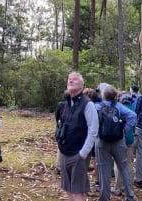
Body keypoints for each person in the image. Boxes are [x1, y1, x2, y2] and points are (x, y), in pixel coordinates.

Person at [57, 72, 99, 201]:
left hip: (78, 154)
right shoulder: (66, 104)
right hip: (64, 152)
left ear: (81, 85)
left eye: (74, 80)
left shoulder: (88, 104)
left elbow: (93, 130)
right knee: (68, 190)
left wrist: (84, 153)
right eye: (69, 79)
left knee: (77, 192)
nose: (71, 81)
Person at [96, 84, 137, 201]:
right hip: (118, 141)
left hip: (102, 141)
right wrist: (124, 129)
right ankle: (130, 195)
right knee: (123, 167)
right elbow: (133, 116)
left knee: (103, 169)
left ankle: (105, 197)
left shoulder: (97, 107)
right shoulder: (119, 107)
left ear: (103, 95)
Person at [112, 92, 136, 197]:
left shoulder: (118, 108)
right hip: (130, 137)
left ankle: (118, 188)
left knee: (118, 163)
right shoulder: (133, 107)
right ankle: (128, 188)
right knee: (129, 163)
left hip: (120, 138)